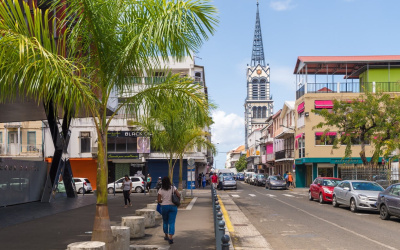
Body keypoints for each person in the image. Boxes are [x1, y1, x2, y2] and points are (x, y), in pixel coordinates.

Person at [157, 176, 181, 245]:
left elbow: (159, 200)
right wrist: (178, 203)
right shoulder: (173, 188)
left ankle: (166, 236)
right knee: (172, 222)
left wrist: (163, 200)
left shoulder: (160, 189)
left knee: (165, 222)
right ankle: (170, 238)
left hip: (164, 206)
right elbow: (178, 195)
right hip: (173, 206)